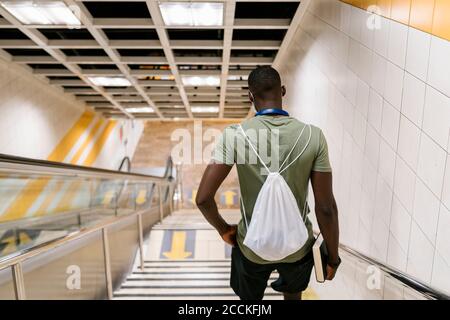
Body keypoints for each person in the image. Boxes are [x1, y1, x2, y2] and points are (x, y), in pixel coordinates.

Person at [196, 66, 340, 300]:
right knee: (293, 295)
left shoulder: (234, 135)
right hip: (298, 247)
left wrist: (225, 230)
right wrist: (332, 257)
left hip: (250, 247)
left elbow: (202, 199)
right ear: (283, 90)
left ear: (250, 97)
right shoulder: (314, 136)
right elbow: (326, 208)